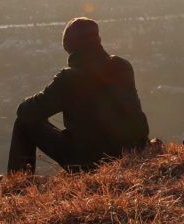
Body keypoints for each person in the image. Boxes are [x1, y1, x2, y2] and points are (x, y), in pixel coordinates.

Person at [8, 17, 150, 174]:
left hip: (89, 163)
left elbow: (26, 112)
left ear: (69, 47)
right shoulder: (122, 66)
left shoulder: (69, 79)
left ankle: (19, 184)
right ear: (99, 40)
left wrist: (28, 101)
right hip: (130, 152)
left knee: (24, 123)